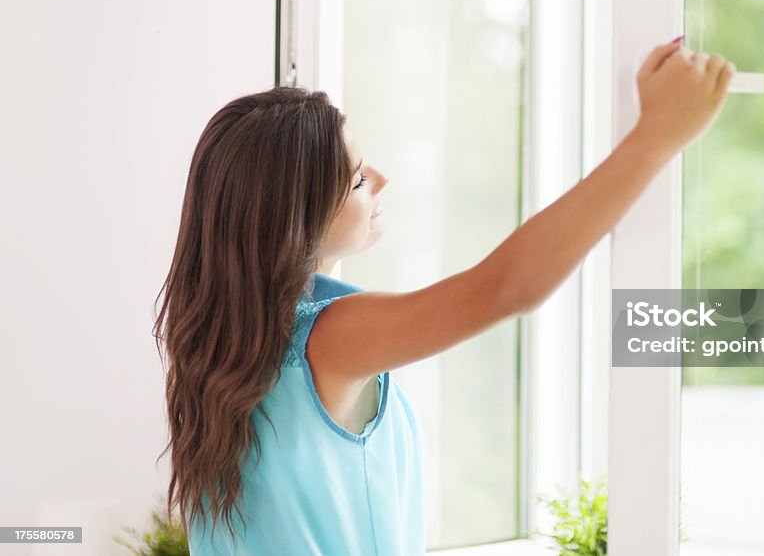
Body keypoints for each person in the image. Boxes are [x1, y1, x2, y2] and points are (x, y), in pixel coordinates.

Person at [153, 36, 734, 554]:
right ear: (294, 216)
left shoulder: (217, 344)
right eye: (357, 178)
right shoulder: (328, 340)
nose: (380, 179)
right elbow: (508, 287)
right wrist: (656, 138)